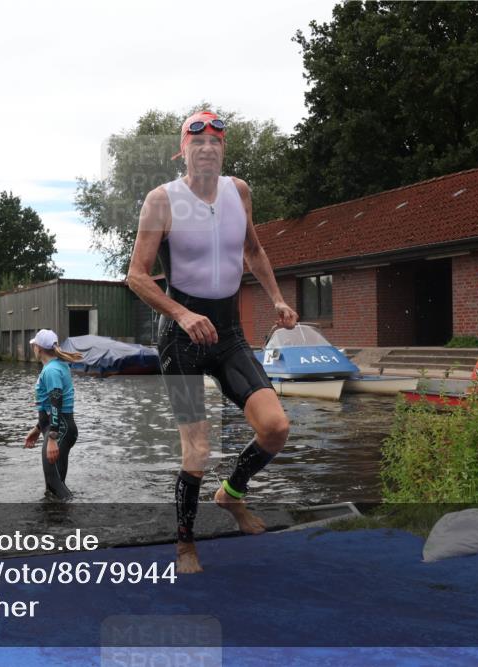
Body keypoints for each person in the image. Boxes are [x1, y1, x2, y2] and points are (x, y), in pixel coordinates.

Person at [126, 110, 298, 574]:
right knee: (198, 450)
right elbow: (136, 276)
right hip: (180, 337)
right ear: (183, 150)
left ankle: (231, 495)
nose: (207, 149)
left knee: (276, 428)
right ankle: (185, 545)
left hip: (228, 332)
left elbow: (254, 251)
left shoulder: (238, 192)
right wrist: (181, 313)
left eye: (216, 143)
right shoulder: (161, 200)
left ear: (223, 149)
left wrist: (278, 299)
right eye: (196, 142)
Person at [23, 329, 83, 500]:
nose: (33, 348)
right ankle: (57, 523)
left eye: (34, 345)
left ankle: (76, 517)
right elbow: (49, 406)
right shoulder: (57, 366)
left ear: (38, 348)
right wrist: (37, 429)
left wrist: (52, 438)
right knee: (54, 487)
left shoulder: (51, 371)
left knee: (54, 483)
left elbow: (56, 403)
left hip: (59, 430)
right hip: (61, 428)